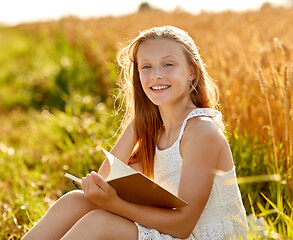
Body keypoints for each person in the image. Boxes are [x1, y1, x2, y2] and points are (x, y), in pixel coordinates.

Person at [22, 25, 248, 240]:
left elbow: (183, 225)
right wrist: (138, 122)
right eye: (146, 66)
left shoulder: (200, 131)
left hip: (200, 236)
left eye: (168, 64)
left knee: (99, 222)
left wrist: (115, 205)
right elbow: (104, 181)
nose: (155, 75)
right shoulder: (157, 130)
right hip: (175, 232)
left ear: (192, 72)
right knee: (75, 201)